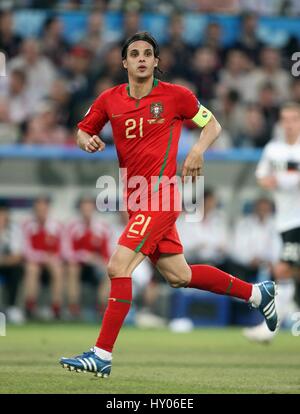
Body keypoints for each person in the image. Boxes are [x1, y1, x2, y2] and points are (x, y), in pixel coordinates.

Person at [60, 32, 278, 378]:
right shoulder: (109, 100)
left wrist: (195, 150)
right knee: (179, 275)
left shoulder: (176, 96)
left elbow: (213, 125)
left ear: (156, 61)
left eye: (148, 53)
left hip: (161, 195)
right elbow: (82, 130)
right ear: (125, 63)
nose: (142, 58)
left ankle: (101, 353)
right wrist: (86, 139)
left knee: (118, 267)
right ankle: (256, 294)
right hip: (134, 198)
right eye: (135, 54)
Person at [244, 102, 300, 343]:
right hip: (284, 220)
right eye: (285, 118)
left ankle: (271, 327)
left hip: (298, 219)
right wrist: (271, 182)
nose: (289, 123)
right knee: (287, 270)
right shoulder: (273, 149)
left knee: (282, 269)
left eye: (294, 119)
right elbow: (261, 176)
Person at [63, 196, 111, 319]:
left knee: (110, 270)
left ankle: (101, 308)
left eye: (89, 208)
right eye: (84, 208)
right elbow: (66, 251)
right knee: (72, 268)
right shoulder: (71, 226)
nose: (87, 211)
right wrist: (84, 256)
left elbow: (107, 253)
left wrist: (98, 261)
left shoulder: (102, 227)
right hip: (78, 265)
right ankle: (73, 308)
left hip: (96, 266)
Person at [23, 197, 64, 320]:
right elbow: (25, 249)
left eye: (44, 209)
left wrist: (52, 258)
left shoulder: (57, 226)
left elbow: (63, 248)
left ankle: (56, 308)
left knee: (57, 269)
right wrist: (42, 257)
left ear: (48, 209)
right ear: (35, 210)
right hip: (34, 261)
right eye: (38, 209)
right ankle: (30, 307)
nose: (41, 212)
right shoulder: (27, 225)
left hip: (52, 261)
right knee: (31, 269)